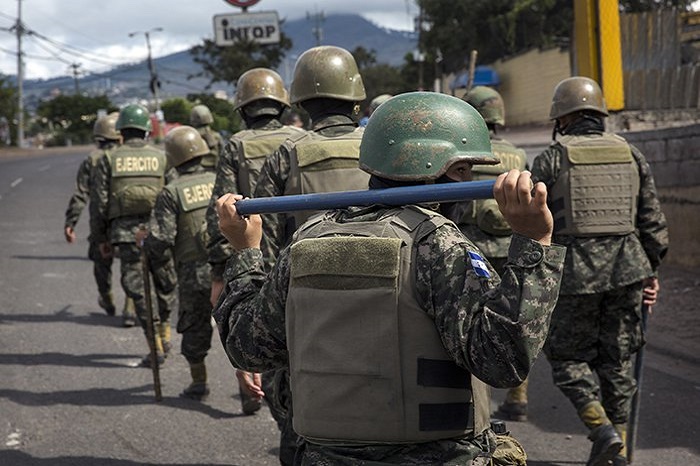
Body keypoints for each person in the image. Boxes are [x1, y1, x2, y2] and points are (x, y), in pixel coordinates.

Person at [213, 91, 566, 464]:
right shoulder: (436, 243)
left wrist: (246, 252)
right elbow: (503, 360)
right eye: (464, 169)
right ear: (447, 170)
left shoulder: (307, 240)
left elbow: (247, 348)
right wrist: (534, 244)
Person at [531, 77, 669, 466]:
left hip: (574, 276)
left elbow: (533, 220)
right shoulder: (632, 154)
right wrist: (651, 271)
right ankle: (618, 449)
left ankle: (601, 428)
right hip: (628, 271)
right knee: (617, 361)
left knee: (565, 358)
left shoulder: (551, 159)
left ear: (563, 117)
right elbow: (652, 222)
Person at [204, 67, 305, 428]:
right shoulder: (301, 139)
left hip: (258, 256)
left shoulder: (237, 144)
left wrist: (220, 272)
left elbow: (221, 212)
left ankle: (255, 384)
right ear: (282, 105)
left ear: (243, 109)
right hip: (305, 254)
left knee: (258, 334)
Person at [253, 45, 371, 263]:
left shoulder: (286, 154)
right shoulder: (378, 145)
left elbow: (266, 237)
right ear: (355, 96)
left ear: (301, 102)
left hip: (306, 275)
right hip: (377, 272)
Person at [458, 86, 530, 422]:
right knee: (514, 319)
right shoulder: (518, 154)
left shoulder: (465, 150)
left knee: (470, 324)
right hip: (509, 245)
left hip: (472, 246)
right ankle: (518, 395)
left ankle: (479, 400)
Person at [90, 104, 178, 364]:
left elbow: (99, 204)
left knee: (138, 291)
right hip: (160, 231)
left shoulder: (109, 159)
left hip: (126, 235)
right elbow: (174, 195)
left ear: (121, 132)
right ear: (147, 131)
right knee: (165, 284)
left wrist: (101, 239)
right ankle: (165, 331)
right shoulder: (162, 158)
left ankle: (155, 344)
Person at [143, 126, 216, 400]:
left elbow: (162, 238)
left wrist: (146, 243)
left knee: (195, 328)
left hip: (193, 273)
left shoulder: (171, 192)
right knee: (239, 325)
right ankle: (248, 385)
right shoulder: (220, 180)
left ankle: (199, 382)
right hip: (229, 267)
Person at [63, 112, 134, 318]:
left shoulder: (91, 160)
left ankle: (107, 297)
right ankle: (130, 307)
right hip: (126, 220)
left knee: (101, 262)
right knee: (132, 265)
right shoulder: (126, 156)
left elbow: (80, 194)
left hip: (100, 220)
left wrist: (70, 223)